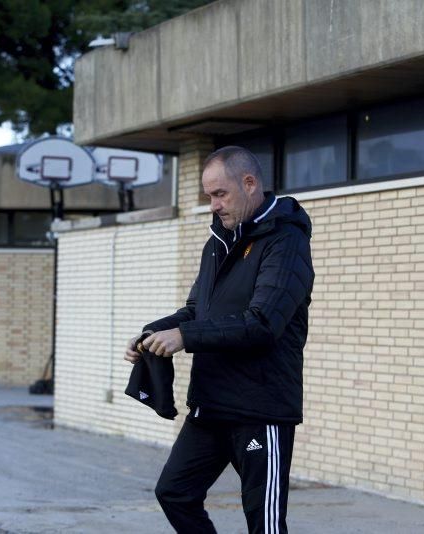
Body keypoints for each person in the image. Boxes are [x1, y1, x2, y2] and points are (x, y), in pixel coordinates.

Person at [125, 145, 314, 534]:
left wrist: (185, 337)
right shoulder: (217, 244)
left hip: (260, 411)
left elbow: (262, 324)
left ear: (249, 183)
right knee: (174, 493)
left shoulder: (286, 241)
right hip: (212, 405)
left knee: (264, 524)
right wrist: (153, 333)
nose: (213, 205)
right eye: (209, 196)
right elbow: (197, 310)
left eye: (219, 194)